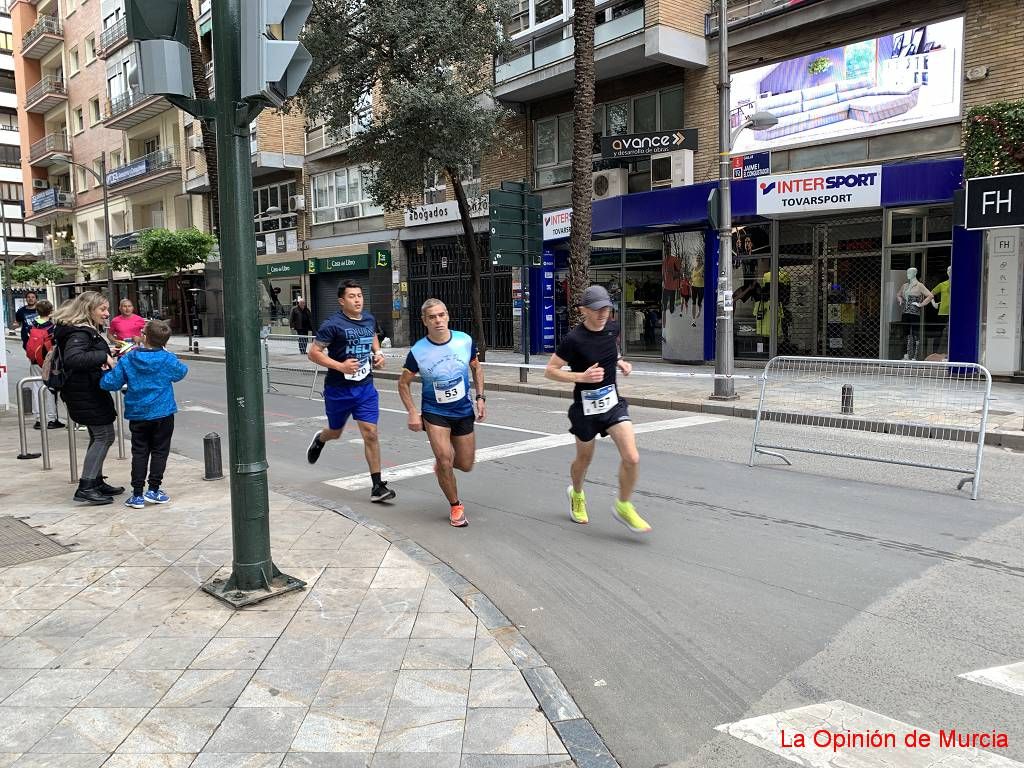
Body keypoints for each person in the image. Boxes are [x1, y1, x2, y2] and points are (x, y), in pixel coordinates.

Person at [544, 285, 651, 533]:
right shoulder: (573, 339)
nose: (603, 313)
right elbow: (550, 371)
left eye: (606, 307)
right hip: (585, 408)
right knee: (584, 459)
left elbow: (610, 350)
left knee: (632, 457)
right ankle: (577, 493)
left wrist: (620, 362)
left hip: (612, 402)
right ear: (583, 310)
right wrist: (582, 377)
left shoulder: (613, 327)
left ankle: (624, 505)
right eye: (596, 309)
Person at [306, 279, 396, 503]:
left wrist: (378, 353)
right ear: (341, 301)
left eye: (359, 296)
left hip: (365, 387)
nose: (357, 300)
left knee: (371, 433)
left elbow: (373, 335)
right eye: (352, 296)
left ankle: (377, 486)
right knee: (335, 432)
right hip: (338, 389)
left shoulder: (368, 318)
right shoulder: (332, 324)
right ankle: (321, 438)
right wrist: (340, 366)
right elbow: (314, 353)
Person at [398, 299, 485, 528]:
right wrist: (413, 412)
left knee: (466, 464)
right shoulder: (418, 351)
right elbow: (403, 383)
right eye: (432, 317)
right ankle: (456, 506)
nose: (438, 320)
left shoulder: (464, 341)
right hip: (434, 411)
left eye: (441, 315)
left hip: (463, 410)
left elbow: (476, 367)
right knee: (445, 459)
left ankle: (443, 466)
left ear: (447, 316)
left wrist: (480, 397)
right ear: (424, 321)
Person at [101, 319, 188, 509]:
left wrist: (106, 370)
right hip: (163, 413)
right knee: (160, 451)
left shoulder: (129, 359)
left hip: (138, 413)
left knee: (139, 452)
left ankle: (137, 494)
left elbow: (110, 383)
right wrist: (166, 352)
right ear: (165, 341)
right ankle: (154, 490)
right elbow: (181, 372)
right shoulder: (167, 359)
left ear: (144, 336)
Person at [52, 291, 124, 505]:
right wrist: (103, 356)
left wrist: (106, 352)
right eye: (102, 309)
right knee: (104, 436)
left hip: (86, 389)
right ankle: (86, 485)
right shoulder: (80, 332)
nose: (107, 313)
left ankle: (96, 481)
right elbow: (74, 358)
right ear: (88, 309)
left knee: (99, 435)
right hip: (84, 391)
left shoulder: (82, 330)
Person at [24, 299, 63, 430]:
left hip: (35, 360)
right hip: (50, 361)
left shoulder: (32, 326)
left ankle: (39, 419)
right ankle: (52, 419)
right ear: (51, 311)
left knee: (36, 388)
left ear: (37, 311)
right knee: (50, 388)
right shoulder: (53, 327)